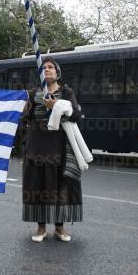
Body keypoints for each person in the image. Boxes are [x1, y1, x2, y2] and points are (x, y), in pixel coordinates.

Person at [22, 57, 82, 243]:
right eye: (44, 67)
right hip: (37, 146)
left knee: (59, 187)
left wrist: (55, 106)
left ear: (57, 72)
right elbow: (25, 118)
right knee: (38, 186)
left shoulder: (66, 92)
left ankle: (59, 228)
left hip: (60, 147)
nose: (47, 70)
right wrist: (25, 108)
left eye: (51, 67)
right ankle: (41, 229)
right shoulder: (33, 93)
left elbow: (77, 116)